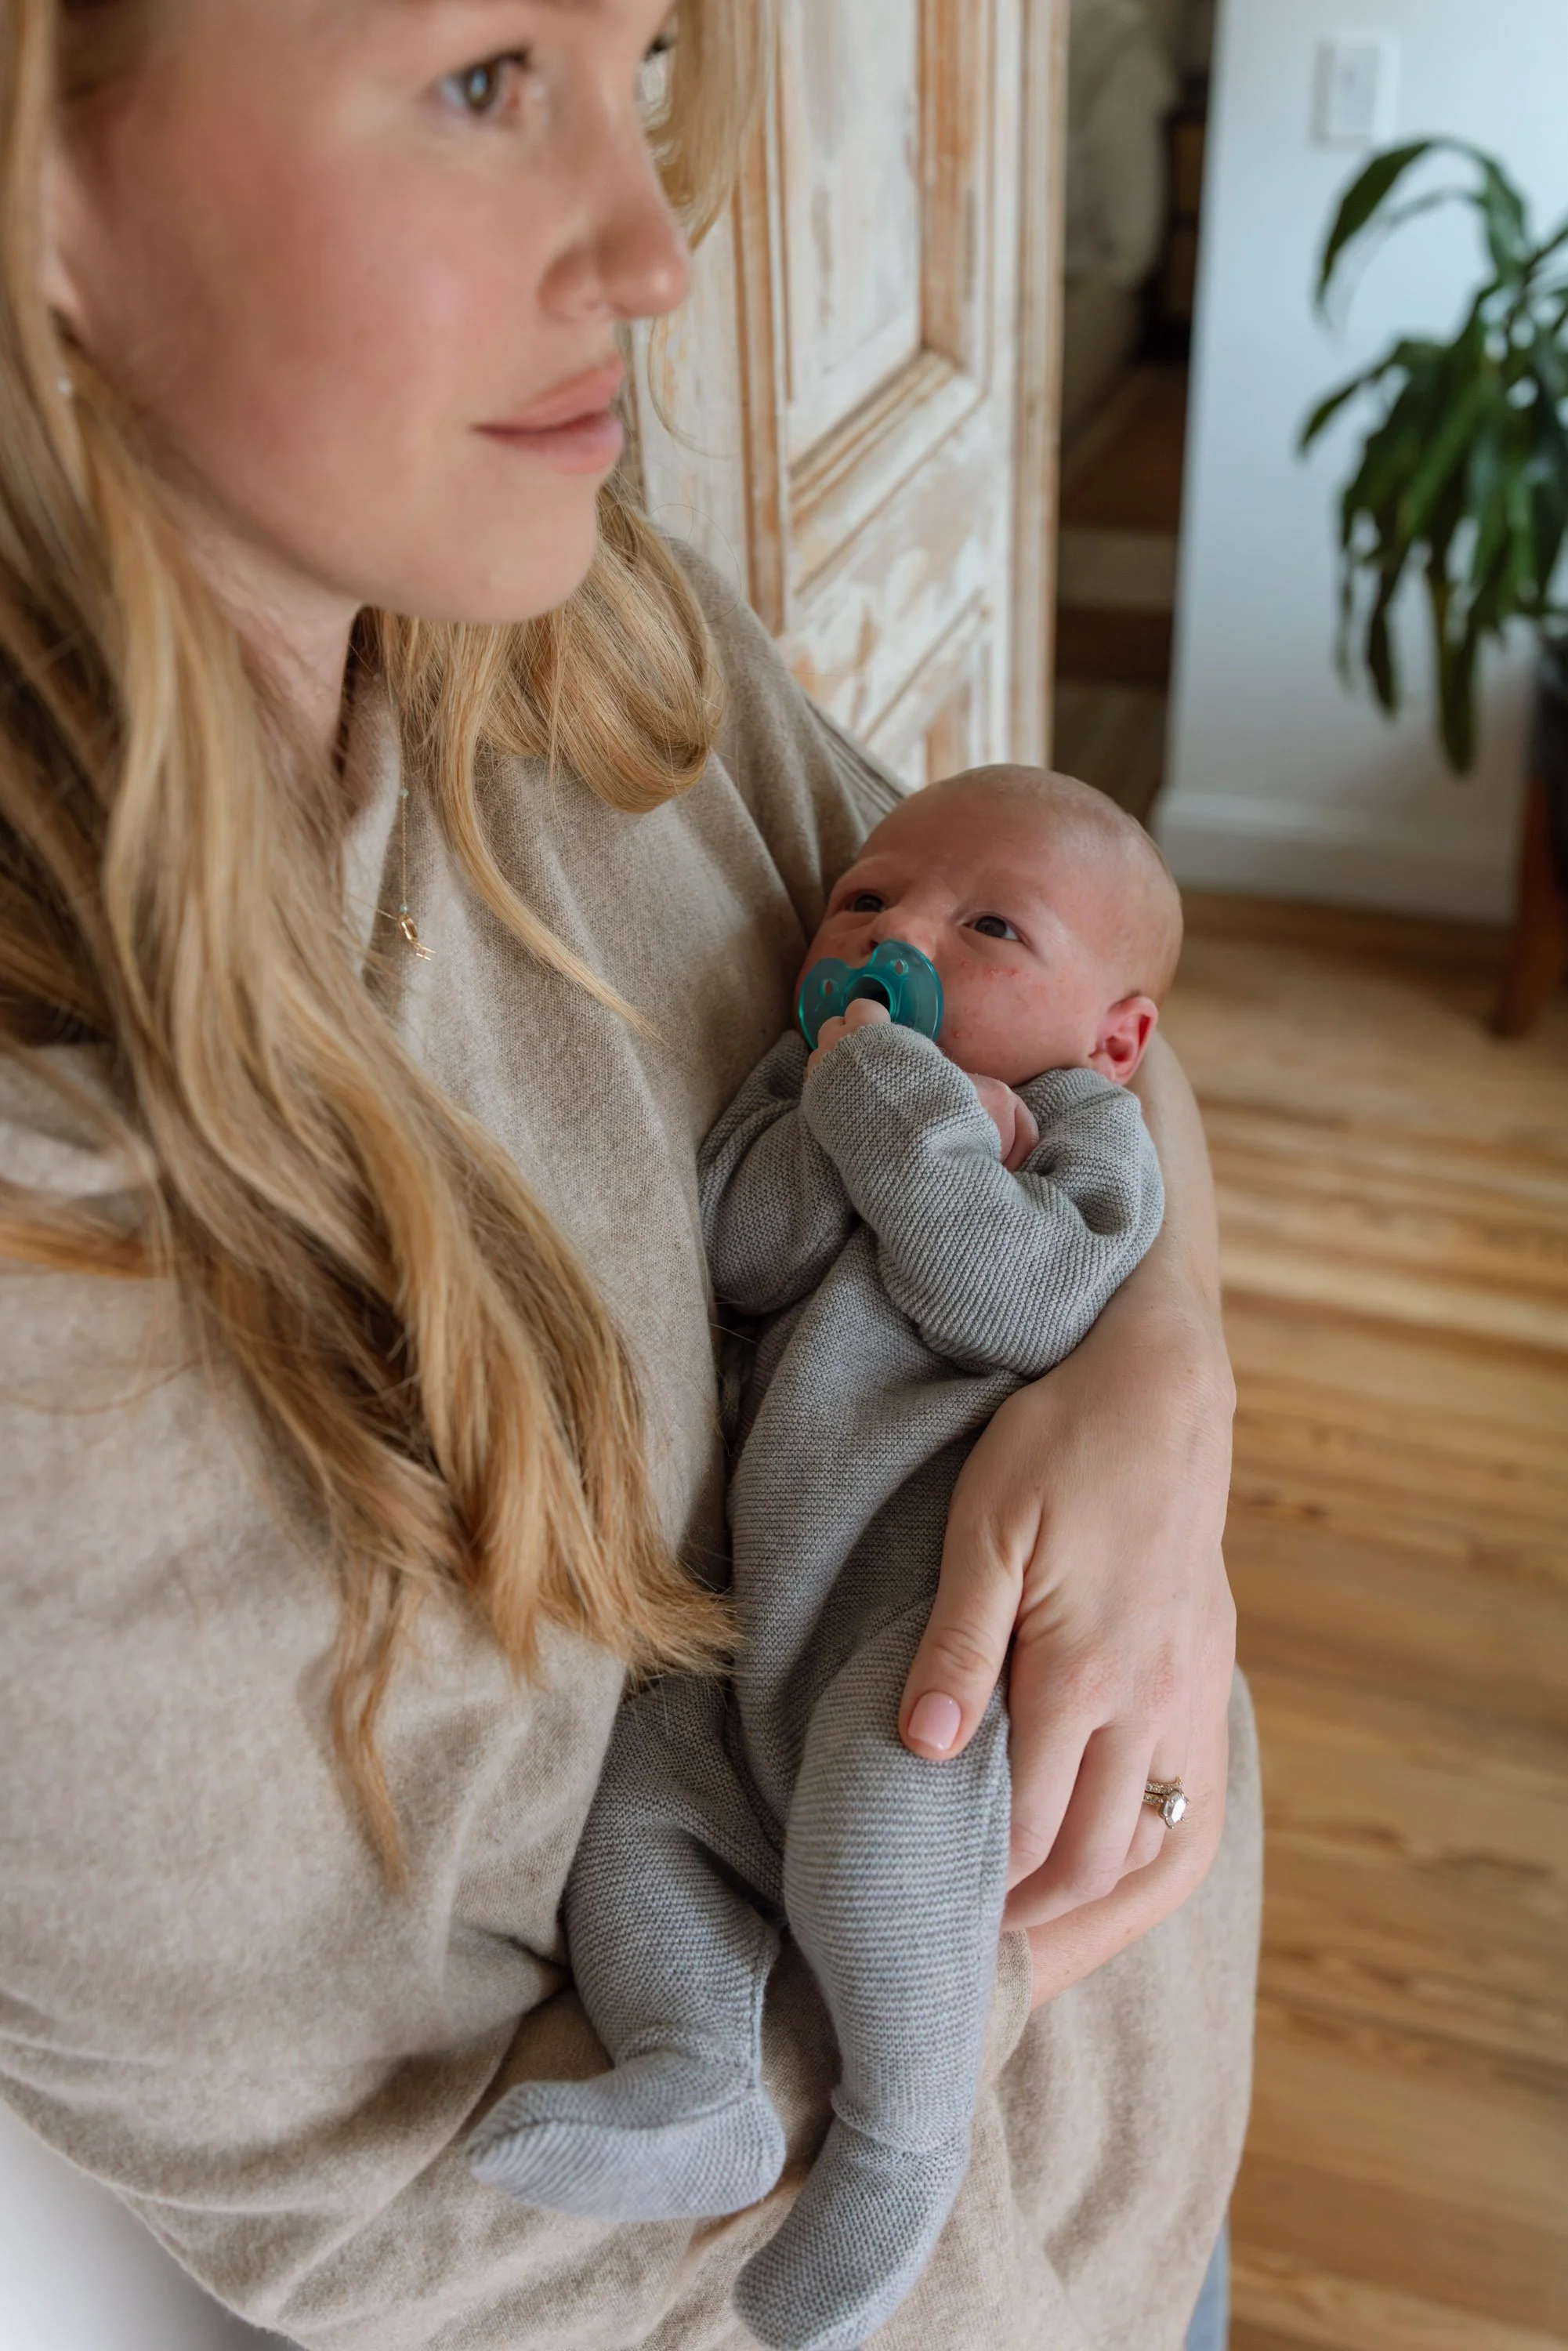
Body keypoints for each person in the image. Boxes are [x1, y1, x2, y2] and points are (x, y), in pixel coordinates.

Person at [0, 4, 1259, 2348]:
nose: (663, 251)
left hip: (1146, 2171)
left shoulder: (592, 623)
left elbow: (1077, 992)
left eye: (641, 58)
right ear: (45, 187)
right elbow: (397, 2214)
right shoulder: (56, 1263)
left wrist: (1170, 1398)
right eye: (488, 80)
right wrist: (967, 2162)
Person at [470, 766, 1175, 2351]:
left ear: (1113, 1034)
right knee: (640, 1816)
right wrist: (860, 1100)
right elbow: (740, 1253)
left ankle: (897, 2144)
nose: (898, 934)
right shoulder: (804, 1086)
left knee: (881, 1826)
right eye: (865, 900)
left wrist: (913, 1120)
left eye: (988, 926)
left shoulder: (1087, 1136)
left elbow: (1018, 1303)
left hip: (915, 1629)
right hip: (733, 1612)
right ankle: (690, 2076)